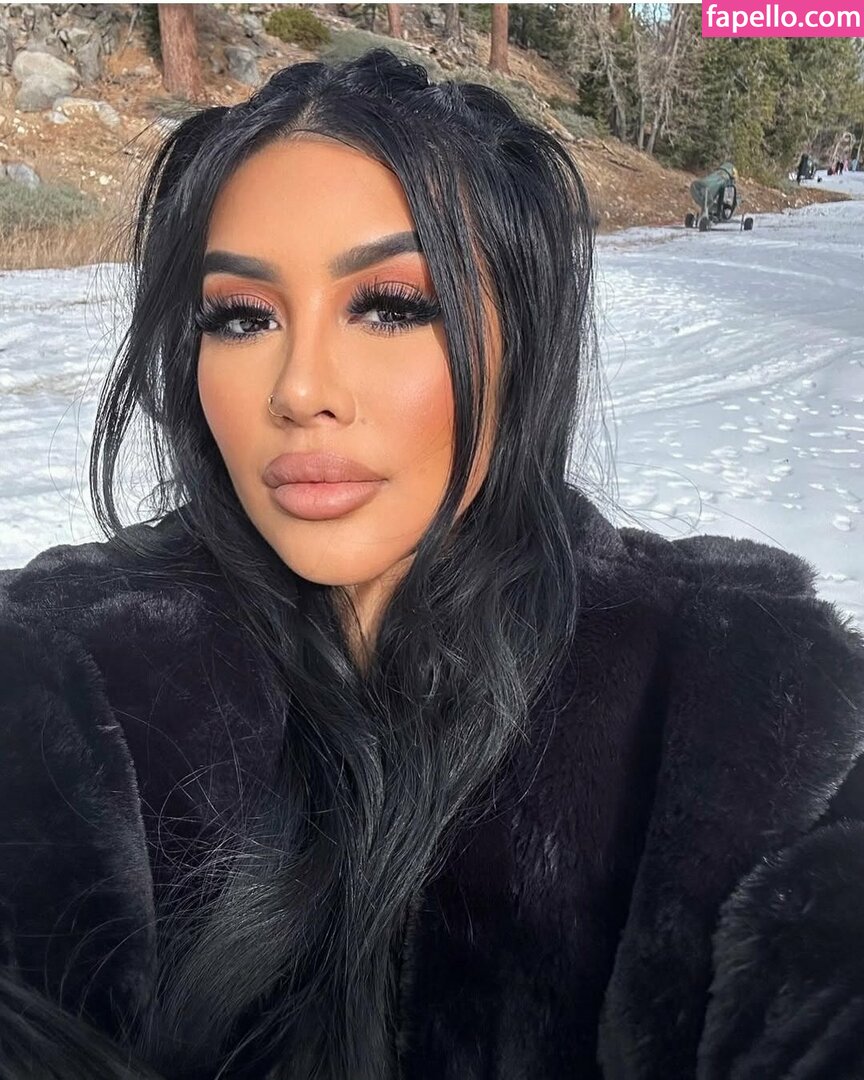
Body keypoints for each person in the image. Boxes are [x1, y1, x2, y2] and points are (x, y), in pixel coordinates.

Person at [1, 48, 863, 1080]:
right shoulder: (65, 679)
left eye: (391, 306)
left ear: (522, 337)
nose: (300, 390)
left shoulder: (737, 698)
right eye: (242, 316)